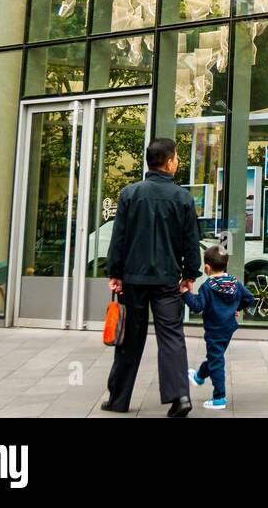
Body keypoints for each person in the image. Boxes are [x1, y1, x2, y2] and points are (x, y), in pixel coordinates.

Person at [103, 137, 201, 418]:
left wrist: (115, 272)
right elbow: (190, 242)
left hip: (133, 280)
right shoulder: (183, 197)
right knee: (171, 337)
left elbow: (118, 238)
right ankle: (180, 397)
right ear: (169, 162)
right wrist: (189, 275)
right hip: (168, 280)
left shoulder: (130, 194)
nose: (178, 162)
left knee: (129, 339)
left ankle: (118, 399)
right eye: (177, 158)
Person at [185, 245, 255, 411]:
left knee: (216, 361)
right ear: (227, 262)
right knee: (215, 357)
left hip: (214, 330)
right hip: (228, 328)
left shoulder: (207, 287)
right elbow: (249, 298)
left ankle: (219, 397)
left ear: (206, 268)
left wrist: (184, 294)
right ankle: (199, 376)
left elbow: (197, 306)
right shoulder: (234, 283)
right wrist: (236, 308)